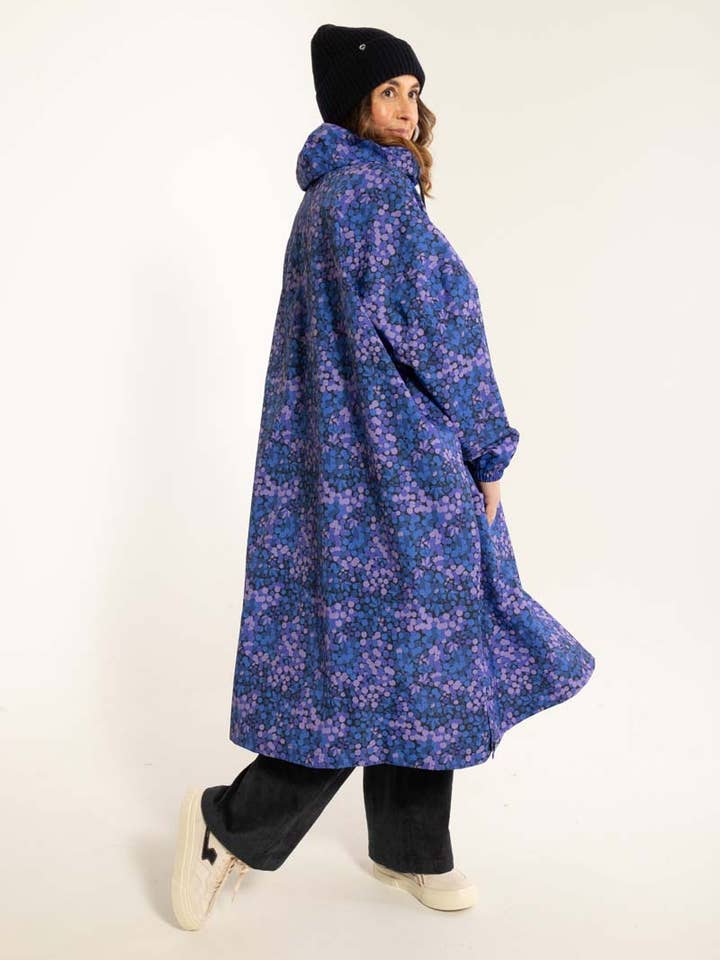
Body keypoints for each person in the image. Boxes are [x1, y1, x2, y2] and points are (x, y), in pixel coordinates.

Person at [171, 23, 596, 931]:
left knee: (394, 655)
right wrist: (487, 449)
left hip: (337, 475)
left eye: (414, 92)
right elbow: (445, 332)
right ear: (353, 104)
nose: (408, 109)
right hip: (404, 472)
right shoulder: (377, 201)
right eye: (389, 92)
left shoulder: (325, 201)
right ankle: (228, 829)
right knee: (380, 665)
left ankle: (411, 848)